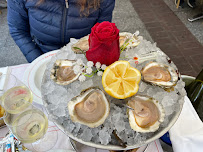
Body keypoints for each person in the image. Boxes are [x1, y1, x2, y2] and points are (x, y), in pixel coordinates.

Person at [7, 0, 115, 63]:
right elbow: (18, 30)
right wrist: (38, 61)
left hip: (83, 56)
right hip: (42, 53)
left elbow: (102, 33)